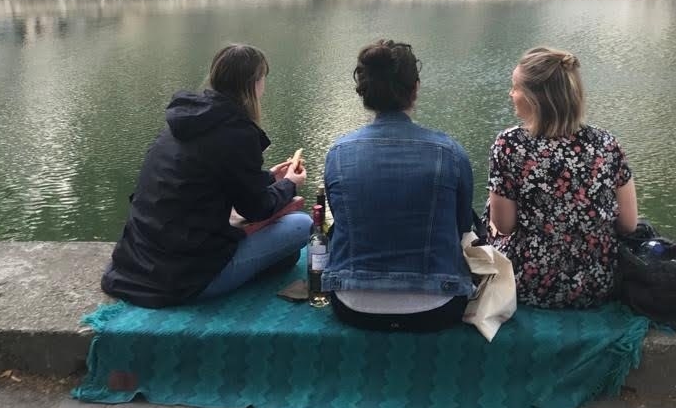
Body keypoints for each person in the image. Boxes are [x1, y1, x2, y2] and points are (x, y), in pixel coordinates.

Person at [101, 44, 310, 308]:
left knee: (283, 253)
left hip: (135, 262)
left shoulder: (181, 122)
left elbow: (205, 181)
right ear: (254, 84)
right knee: (301, 226)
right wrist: (290, 184)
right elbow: (257, 208)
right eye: (263, 79)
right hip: (185, 278)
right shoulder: (238, 133)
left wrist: (269, 178)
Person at [321, 40, 475, 332]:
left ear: (365, 93)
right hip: (439, 306)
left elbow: (341, 220)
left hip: (352, 305)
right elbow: (463, 226)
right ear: (415, 88)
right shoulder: (450, 153)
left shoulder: (338, 153)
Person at [486, 47, 638, 309]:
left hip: (531, 283)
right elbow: (629, 224)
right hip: (598, 283)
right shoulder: (606, 143)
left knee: (488, 219)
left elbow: (505, 226)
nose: (511, 95)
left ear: (536, 98)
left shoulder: (509, 145)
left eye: (515, 88)